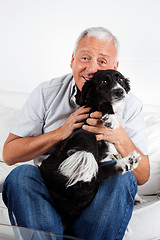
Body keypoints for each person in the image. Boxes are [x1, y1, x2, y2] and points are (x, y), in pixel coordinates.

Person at [2, 27, 150, 240]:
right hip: (52, 192)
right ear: (72, 59)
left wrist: (117, 134)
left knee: (124, 179)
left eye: (102, 61)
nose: (91, 68)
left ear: (115, 68)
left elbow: (142, 175)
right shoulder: (46, 93)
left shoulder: (130, 104)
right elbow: (9, 155)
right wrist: (60, 132)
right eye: (84, 57)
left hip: (97, 195)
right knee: (20, 175)